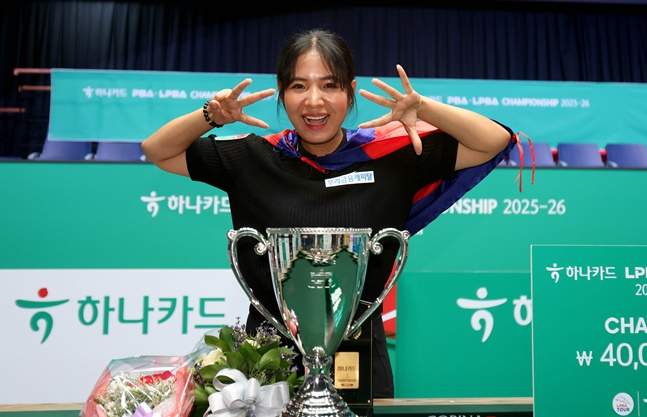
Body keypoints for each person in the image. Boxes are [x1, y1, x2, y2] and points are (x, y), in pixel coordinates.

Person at [142, 28, 516, 398]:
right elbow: (158, 150)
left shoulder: (390, 157)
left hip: (361, 370)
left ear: (350, 92)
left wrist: (425, 109)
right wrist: (210, 116)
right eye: (299, 86)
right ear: (281, 91)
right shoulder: (252, 157)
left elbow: (494, 140)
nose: (314, 101)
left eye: (330, 85)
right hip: (266, 374)